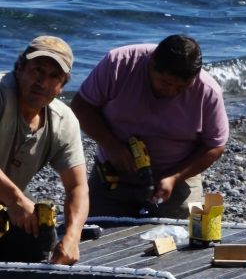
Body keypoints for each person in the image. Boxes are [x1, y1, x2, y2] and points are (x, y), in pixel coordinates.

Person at [70, 34, 229, 218]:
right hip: (114, 174)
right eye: (165, 82)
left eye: (181, 88)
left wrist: (175, 177)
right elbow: (81, 106)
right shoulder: (119, 64)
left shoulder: (207, 91)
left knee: (183, 237)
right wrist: (111, 145)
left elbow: (215, 145)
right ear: (151, 63)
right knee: (93, 228)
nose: (171, 92)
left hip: (175, 179)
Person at [0, 36, 89, 264]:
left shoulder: (62, 121)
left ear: (62, 86)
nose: (43, 82)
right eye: (37, 71)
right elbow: (16, 200)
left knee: (38, 240)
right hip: (8, 196)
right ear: (19, 69)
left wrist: (72, 237)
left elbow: (77, 186)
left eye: (54, 77)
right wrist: (15, 199)